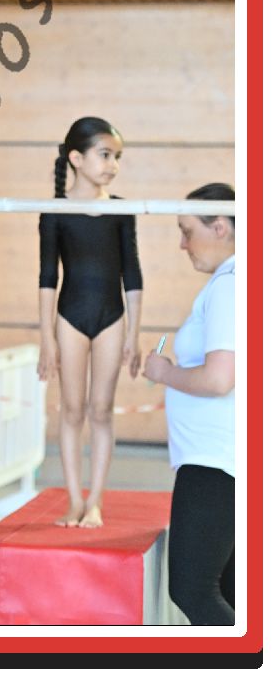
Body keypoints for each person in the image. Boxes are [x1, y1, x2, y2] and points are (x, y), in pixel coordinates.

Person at [37, 116, 143, 528]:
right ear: (76, 158)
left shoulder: (121, 210)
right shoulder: (55, 212)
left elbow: (131, 274)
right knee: (72, 410)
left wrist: (134, 332)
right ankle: (73, 501)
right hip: (70, 317)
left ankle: (95, 501)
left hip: (112, 318)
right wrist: (47, 338)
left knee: (101, 410)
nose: (113, 165)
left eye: (117, 157)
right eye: (105, 155)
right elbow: (48, 278)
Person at [143, 183, 235, 625]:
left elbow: (219, 379)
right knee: (230, 591)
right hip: (224, 458)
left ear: (220, 227)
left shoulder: (230, 286)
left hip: (215, 461)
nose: (182, 244)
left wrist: (164, 373)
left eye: (187, 231)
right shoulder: (235, 282)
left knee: (192, 589)